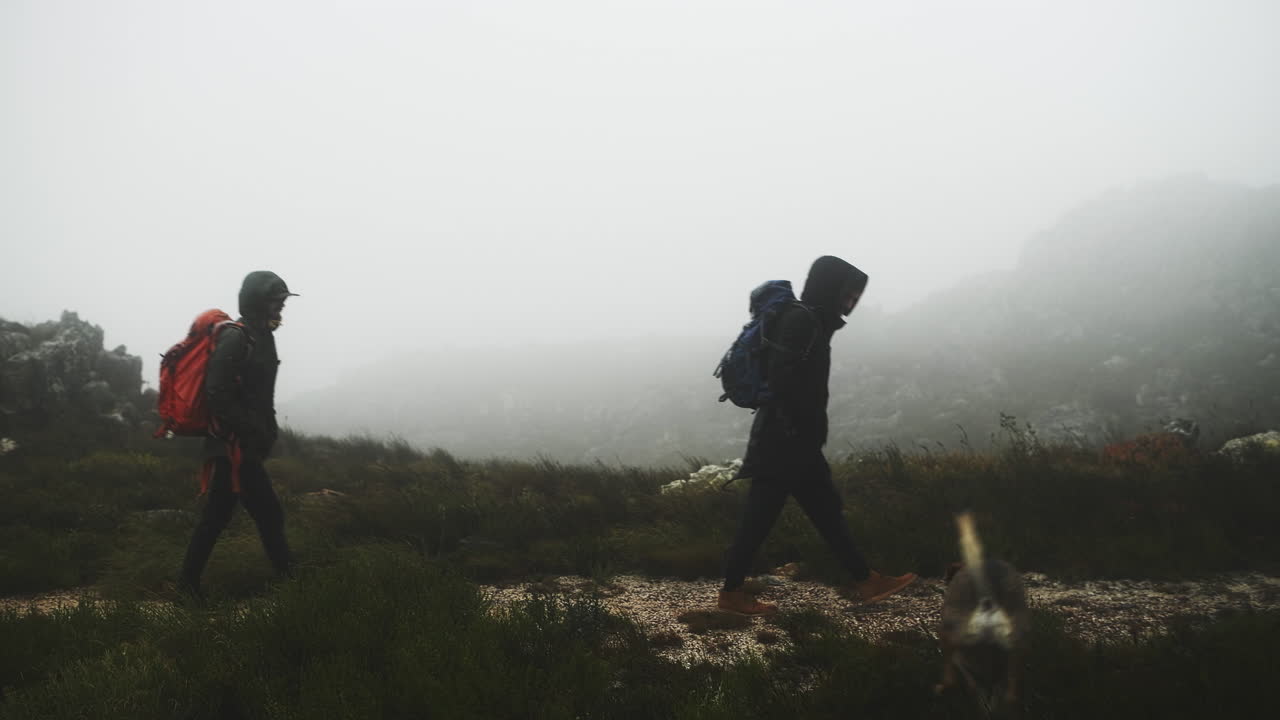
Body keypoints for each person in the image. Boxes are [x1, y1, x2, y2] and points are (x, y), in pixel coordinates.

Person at [718, 255, 917, 615]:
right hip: (785, 441)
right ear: (830, 287)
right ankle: (731, 595)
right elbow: (784, 380)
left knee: (825, 512)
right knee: (759, 520)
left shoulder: (810, 320)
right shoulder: (803, 321)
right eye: (848, 293)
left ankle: (866, 580)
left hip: (793, 440)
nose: (852, 301)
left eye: (857, 296)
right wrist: (800, 425)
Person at [179, 271, 298, 599]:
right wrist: (250, 430)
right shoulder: (237, 337)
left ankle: (186, 587)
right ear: (259, 302)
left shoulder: (264, 335)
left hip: (244, 445)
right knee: (269, 513)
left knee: (217, 517)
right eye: (277, 302)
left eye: (283, 302)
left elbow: (260, 393)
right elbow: (216, 392)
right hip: (233, 447)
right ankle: (294, 586)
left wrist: (267, 431)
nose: (281, 309)